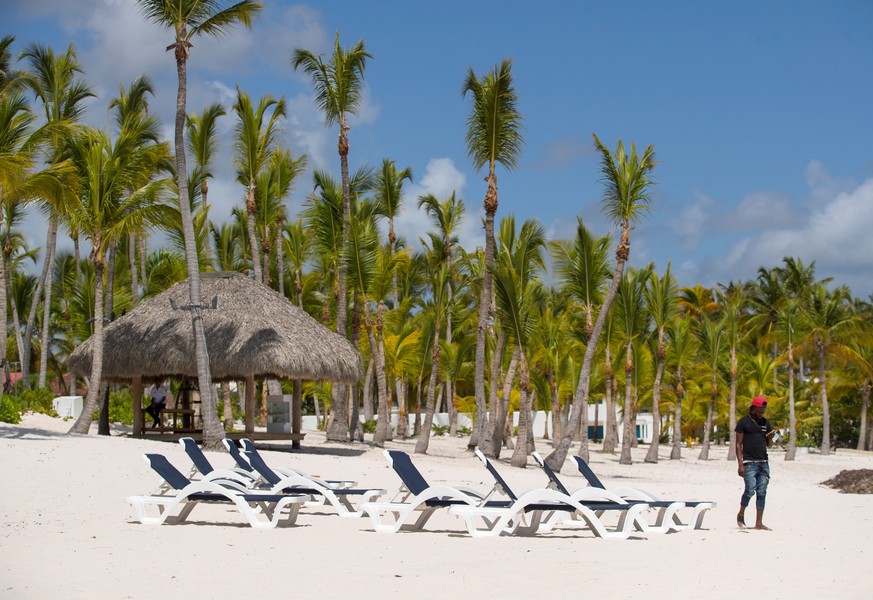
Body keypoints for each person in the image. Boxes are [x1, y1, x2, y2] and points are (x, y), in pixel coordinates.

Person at [735, 395, 775, 530]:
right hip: (749, 462)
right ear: (753, 408)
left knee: (762, 491)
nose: (762, 413)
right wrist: (740, 465)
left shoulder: (766, 423)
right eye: (760, 410)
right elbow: (738, 445)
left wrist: (770, 438)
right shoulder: (743, 422)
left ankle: (759, 523)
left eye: (763, 410)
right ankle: (741, 513)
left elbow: (769, 445)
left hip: (764, 462)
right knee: (750, 490)